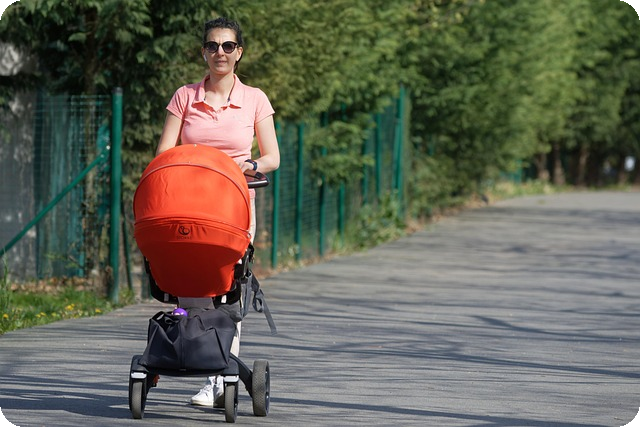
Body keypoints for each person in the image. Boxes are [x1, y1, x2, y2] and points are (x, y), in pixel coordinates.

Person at [155, 17, 280, 407]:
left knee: (227, 287)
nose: (220, 53)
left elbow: (273, 157)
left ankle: (218, 376)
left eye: (228, 46)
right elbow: (164, 153)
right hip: (188, 204)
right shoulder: (184, 97)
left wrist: (248, 166)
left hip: (233, 206)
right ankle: (193, 354)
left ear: (239, 52)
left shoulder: (255, 99)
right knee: (190, 284)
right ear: (203, 53)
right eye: (212, 46)